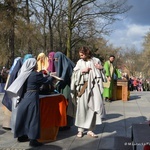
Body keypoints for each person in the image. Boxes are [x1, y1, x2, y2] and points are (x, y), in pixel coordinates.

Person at [6, 58, 53, 147]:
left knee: (22, 116)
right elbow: (47, 81)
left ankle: (21, 136)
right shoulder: (35, 74)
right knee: (33, 118)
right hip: (32, 97)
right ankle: (33, 140)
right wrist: (51, 75)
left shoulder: (22, 73)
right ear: (33, 65)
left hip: (23, 97)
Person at [70, 46, 105, 138]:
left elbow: (103, 73)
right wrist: (82, 71)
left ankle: (90, 130)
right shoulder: (79, 62)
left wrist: (101, 68)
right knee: (82, 109)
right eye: (80, 55)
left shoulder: (96, 60)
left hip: (94, 89)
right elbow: (74, 74)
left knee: (93, 109)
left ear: (87, 53)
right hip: (83, 88)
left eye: (82, 54)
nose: (81, 56)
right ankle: (80, 130)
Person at [53, 51, 75, 130]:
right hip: (62, 87)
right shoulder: (63, 64)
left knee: (66, 105)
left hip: (66, 88)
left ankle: (66, 123)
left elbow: (64, 77)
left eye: (57, 59)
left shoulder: (67, 65)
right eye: (54, 60)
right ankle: (62, 122)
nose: (56, 61)